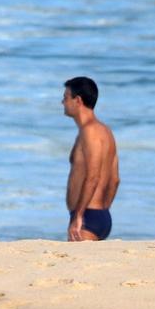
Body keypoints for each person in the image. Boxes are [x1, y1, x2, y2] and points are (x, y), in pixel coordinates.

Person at [63, 76, 120, 241]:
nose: (62, 103)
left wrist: (79, 216)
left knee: (75, 266)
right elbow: (115, 179)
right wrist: (103, 210)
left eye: (66, 98)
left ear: (78, 100)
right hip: (98, 214)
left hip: (86, 217)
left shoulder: (90, 132)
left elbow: (93, 176)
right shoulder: (105, 131)